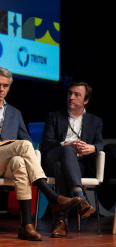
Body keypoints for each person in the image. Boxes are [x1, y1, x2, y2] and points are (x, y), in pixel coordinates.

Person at [0, 66, 81, 241]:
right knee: (23, 146)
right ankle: (51, 196)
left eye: (5, 86)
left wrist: (13, 147)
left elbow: (27, 142)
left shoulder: (15, 113)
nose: (1, 89)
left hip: (7, 165)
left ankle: (26, 225)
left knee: (19, 162)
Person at [40, 81, 103, 238]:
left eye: (77, 95)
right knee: (65, 152)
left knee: (60, 167)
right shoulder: (54, 116)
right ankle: (81, 198)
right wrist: (65, 144)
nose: (71, 97)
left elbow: (100, 143)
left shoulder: (95, 121)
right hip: (52, 156)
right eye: (70, 93)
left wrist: (93, 148)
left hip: (77, 164)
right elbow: (45, 143)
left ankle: (61, 222)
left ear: (86, 101)